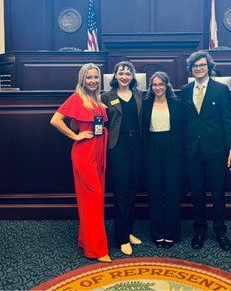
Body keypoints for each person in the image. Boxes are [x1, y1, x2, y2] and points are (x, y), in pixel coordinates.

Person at [50, 63, 111, 263]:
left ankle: (86, 240)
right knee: (93, 199)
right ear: (82, 79)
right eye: (89, 77)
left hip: (99, 153)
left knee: (94, 200)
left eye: (96, 77)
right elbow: (55, 120)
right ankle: (97, 249)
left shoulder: (97, 99)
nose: (93, 81)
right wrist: (75, 136)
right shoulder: (77, 97)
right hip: (84, 155)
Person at [180, 50, 231, 251]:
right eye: (195, 66)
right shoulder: (185, 90)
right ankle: (199, 230)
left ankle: (220, 231)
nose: (198, 68)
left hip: (217, 150)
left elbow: (228, 121)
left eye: (202, 65)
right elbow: (184, 121)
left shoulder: (221, 90)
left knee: (217, 192)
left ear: (209, 67)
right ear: (191, 68)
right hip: (193, 150)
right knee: (196, 192)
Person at [101, 61, 143, 255]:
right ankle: (121, 237)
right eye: (121, 73)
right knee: (121, 191)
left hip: (137, 145)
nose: (124, 76)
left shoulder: (139, 95)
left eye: (128, 73)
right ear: (115, 76)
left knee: (133, 188)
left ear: (133, 76)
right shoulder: (106, 97)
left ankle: (129, 230)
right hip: (118, 146)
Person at [143, 71, 184, 249]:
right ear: (151, 87)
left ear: (167, 86)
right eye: (154, 85)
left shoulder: (177, 104)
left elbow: (184, 127)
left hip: (172, 148)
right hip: (152, 147)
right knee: (155, 191)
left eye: (161, 84)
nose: (158, 87)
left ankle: (172, 233)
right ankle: (158, 233)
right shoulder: (145, 105)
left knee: (173, 191)